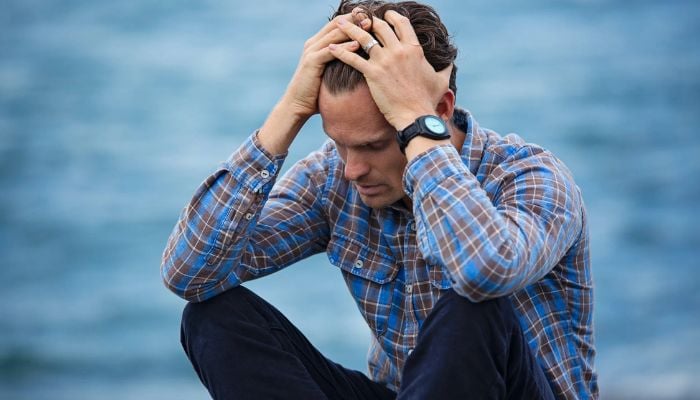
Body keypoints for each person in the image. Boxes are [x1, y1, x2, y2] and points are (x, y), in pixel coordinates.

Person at [161, 0, 598, 398]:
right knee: (212, 318)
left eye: (372, 146)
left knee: (472, 308)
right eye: (338, 143)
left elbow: (482, 270)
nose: (352, 169)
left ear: (439, 112)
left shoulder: (531, 176)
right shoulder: (334, 178)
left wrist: (415, 122)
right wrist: (289, 111)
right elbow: (189, 274)